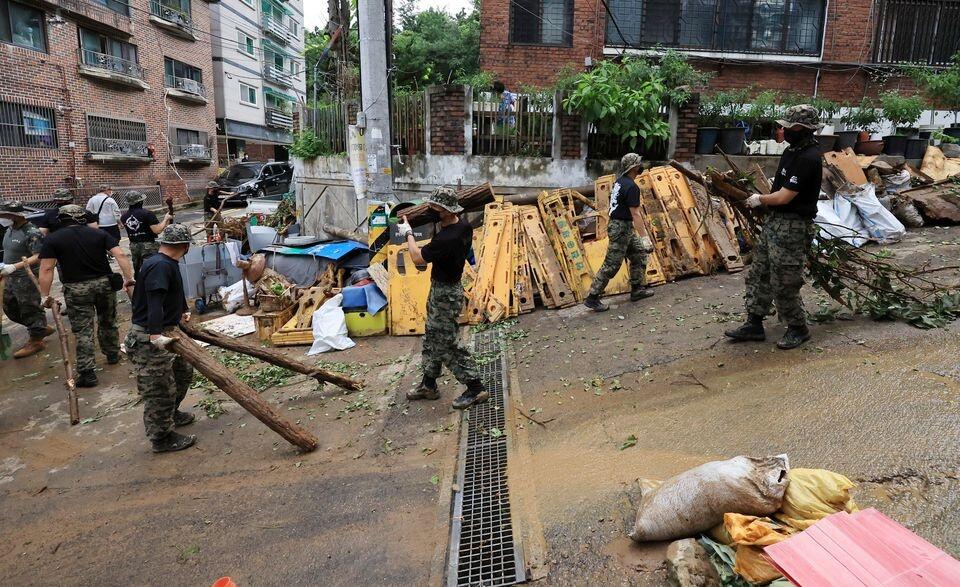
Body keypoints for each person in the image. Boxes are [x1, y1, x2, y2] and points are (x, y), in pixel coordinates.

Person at [724, 105, 823, 350]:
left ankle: (798, 328)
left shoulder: (809, 157)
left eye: (790, 126)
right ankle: (754, 324)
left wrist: (759, 200)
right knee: (759, 274)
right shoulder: (791, 152)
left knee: (784, 280)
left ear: (804, 129)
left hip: (793, 227)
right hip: (775, 223)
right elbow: (779, 189)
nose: (784, 129)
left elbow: (784, 197)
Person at [396, 187, 488, 410]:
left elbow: (418, 258)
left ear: (447, 211)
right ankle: (429, 384)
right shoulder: (462, 224)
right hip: (441, 289)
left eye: (436, 207)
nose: (431, 209)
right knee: (432, 336)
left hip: (446, 294)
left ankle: (476, 387)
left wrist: (408, 233)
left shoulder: (449, 237)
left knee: (446, 342)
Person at [38, 205, 135, 387]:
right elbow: (120, 254)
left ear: (62, 219)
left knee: (83, 329)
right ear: (82, 217)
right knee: (108, 320)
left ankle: (88, 372)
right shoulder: (99, 234)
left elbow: (47, 268)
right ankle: (112, 354)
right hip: (103, 284)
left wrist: (45, 296)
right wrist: (129, 278)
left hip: (76, 289)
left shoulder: (53, 239)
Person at [125, 224, 196, 453]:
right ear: (184, 246)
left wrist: (182, 309)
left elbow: (171, 292)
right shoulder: (159, 266)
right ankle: (161, 437)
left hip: (168, 330)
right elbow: (155, 301)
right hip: (150, 335)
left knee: (183, 373)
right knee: (159, 388)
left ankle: (171, 413)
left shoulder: (166, 263)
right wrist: (155, 335)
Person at [583, 153, 655, 312]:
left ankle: (637, 289)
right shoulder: (632, 187)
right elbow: (635, 214)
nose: (641, 166)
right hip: (621, 228)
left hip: (622, 226)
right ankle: (592, 297)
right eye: (639, 164)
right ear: (634, 167)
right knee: (612, 265)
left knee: (639, 254)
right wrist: (644, 237)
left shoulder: (620, 182)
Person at [0, 201, 52, 358]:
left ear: (15, 216)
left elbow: (38, 256)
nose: (3, 218)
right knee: (9, 307)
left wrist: (15, 266)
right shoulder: (10, 229)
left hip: (26, 277)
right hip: (10, 276)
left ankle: (36, 340)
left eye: (6, 215)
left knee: (30, 308)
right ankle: (40, 327)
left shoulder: (31, 232)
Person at [121, 191, 172, 280]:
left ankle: (139, 287)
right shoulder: (147, 214)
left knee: (138, 269)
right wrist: (166, 219)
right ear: (140, 201)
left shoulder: (124, 216)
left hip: (134, 245)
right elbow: (157, 230)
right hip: (148, 246)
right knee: (152, 269)